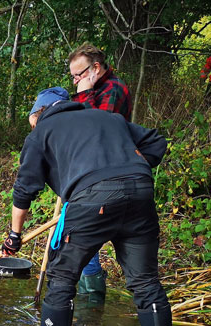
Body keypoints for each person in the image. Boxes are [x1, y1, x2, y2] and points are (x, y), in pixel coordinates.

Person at [1, 87, 174, 326]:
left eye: (31, 119)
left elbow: (24, 189)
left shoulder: (41, 132)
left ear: (39, 114)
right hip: (140, 192)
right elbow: (156, 143)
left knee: (62, 279)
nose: (30, 125)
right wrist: (130, 171)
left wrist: (14, 235)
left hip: (92, 199)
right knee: (145, 281)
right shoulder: (109, 118)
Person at [67, 43, 133, 303]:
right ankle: (87, 305)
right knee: (76, 232)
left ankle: (92, 302)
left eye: (78, 75)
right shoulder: (96, 89)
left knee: (85, 232)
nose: (76, 82)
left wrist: (84, 93)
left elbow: (95, 130)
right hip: (88, 171)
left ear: (95, 68)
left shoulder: (113, 89)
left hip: (107, 175)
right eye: (73, 77)